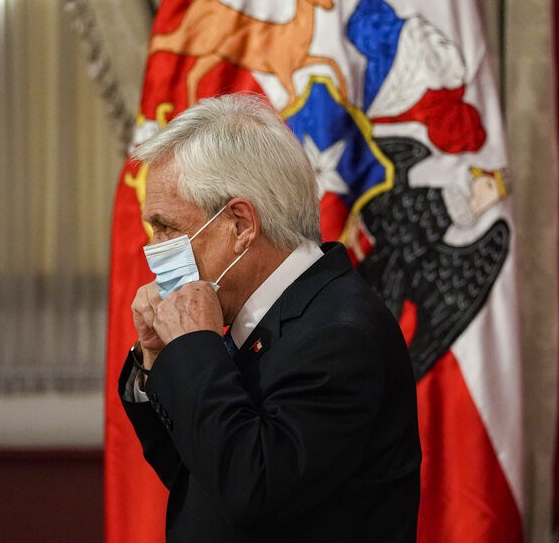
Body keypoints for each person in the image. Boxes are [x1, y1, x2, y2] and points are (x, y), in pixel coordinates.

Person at [119, 93, 421, 542]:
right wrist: (161, 357)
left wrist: (194, 348)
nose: (154, 249)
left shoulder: (340, 334)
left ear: (241, 224)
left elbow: (252, 489)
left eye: (168, 228)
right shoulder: (258, 316)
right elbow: (198, 472)